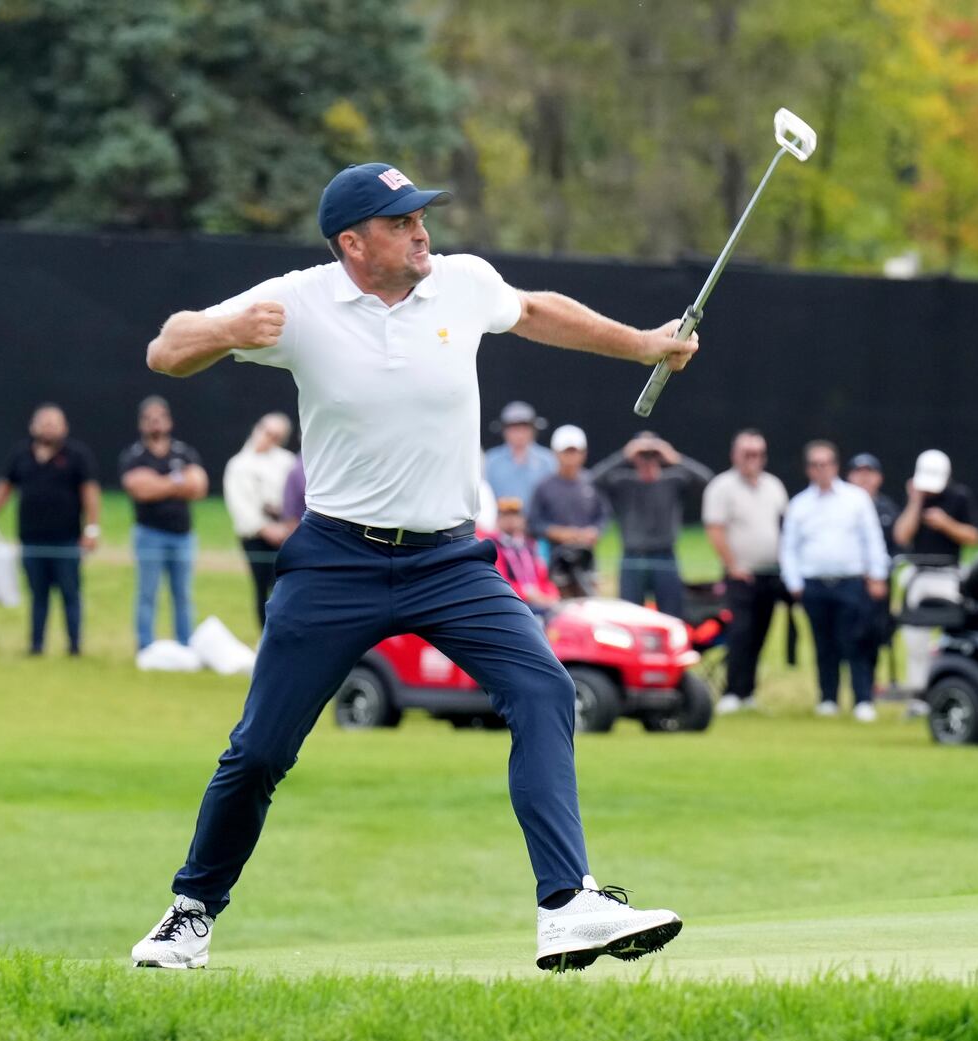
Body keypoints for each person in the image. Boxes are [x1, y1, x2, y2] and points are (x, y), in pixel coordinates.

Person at [130, 162, 690, 973]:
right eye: (401, 223)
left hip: (450, 560)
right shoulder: (298, 302)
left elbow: (535, 312)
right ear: (353, 244)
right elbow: (164, 348)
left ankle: (567, 903)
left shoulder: (461, 281)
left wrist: (644, 344)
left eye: (421, 216)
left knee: (543, 688)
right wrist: (222, 333)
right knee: (259, 750)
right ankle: (190, 912)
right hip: (334, 562)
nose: (422, 230)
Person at [0, 403, 100, 655]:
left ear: (64, 427)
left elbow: (90, 493)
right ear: (33, 426)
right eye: (44, 422)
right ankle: (36, 646)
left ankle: (74, 647)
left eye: (54, 422)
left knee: (70, 593)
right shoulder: (21, 455)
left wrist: (92, 529)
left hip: (66, 541)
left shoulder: (76, 456)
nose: (49, 427)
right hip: (32, 539)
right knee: (38, 595)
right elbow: (5, 485)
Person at [780, 440, 890, 723]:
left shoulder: (855, 499)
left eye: (826, 463)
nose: (822, 470)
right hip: (814, 584)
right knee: (823, 643)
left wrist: (877, 574)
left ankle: (862, 699)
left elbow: (872, 540)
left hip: (851, 582)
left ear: (835, 466)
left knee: (855, 641)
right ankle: (828, 698)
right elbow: (789, 548)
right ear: (808, 469)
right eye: (816, 465)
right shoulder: (800, 504)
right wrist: (794, 582)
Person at [703, 430, 790, 714]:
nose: (752, 459)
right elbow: (715, 529)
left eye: (757, 454)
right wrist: (733, 566)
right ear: (735, 455)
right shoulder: (722, 487)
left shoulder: (774, 486)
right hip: (740, 575)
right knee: (740, 633)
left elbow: (784, 525)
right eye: (746, 453)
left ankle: (749, 691)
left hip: (771, 574)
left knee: (761, 635)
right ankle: (733, 691)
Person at [892, 449, 978, 711]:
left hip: (949, 573)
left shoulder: (959, 497)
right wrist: (915, 501)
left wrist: (946, 524)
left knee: (951, 632)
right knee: (913, 635)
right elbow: (901, 535)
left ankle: (947, 687)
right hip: (918, 574)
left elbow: (973, 536)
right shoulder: (916, 498)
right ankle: (917, 693)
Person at [591, 432, 713, 618]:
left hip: (665, 554)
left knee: (672, 614)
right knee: (630, 615)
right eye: (642, 454)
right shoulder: (624, 481)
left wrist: (675, 458)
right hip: (633, 555)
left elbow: (707, 481)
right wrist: (624, 455)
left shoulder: (673, 480)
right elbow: (592, 480)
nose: (647, 459)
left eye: (652, 454)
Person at [120, 396, 208, 651]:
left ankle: (185, 645)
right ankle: (145, 646)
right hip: (149, 534)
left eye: (159, 418)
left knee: (182, 595)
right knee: (147, 593)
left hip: (183, 534)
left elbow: (199, 486)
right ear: (141, 424)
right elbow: (138, 488)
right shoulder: (135, 455)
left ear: (168, 421)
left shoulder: (184, 452)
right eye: (149, 419)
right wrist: (177, 483)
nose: (155, 424)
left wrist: (157, 483)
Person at [222, 413, 298, 630]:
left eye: (276, 436)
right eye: (267, 431)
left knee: (285, 587)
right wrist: (263, 528)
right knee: (261, 587)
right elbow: (239, 506)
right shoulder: (238, 465)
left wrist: (285, 524)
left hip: (285, 535)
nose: (269, 438)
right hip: (255, 537)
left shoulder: (286, 462)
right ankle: (265, 635)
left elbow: (292, 497)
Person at [530, 424, 609, 598]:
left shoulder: (592, 482)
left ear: (583, 453)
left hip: (586, 557)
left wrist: (594, 531)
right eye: (566, 452)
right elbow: (534, 522)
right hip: (554, 557)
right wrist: (558, 533)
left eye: (575, 451)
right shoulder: (544, 486)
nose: (570, 457)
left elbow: (603, 515)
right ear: (555, 453)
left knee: (588, 602)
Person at [847, 453, 901, 691]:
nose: (864, 479)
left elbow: (898, 548)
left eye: (870, 473)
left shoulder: (888, 509)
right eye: (859, 473)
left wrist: (878, 574)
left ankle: (869, 684)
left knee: (875, 633)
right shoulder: (840, 506)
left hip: (879, 584)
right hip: (849, 581)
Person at [490, 497, 562, 613]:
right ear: (498, 520)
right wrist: (528, 595)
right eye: (505, 516)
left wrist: (552, 595)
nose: (511, 520)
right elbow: (500, 581)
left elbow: (543, 577)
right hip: (512, 603)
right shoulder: (494, 547)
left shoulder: (530, 545)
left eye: (515, 516)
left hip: (537, 600)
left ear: (522, 519)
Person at [483, 401, 557, 511]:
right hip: (498, 525)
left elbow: (553, 497)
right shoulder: (490, 461)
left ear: (533, 430)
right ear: (504, 431)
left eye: (524, 428)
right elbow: (484, 498)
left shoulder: (548, 460)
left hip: (537, 526)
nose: (519, 434)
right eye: (514, 428)